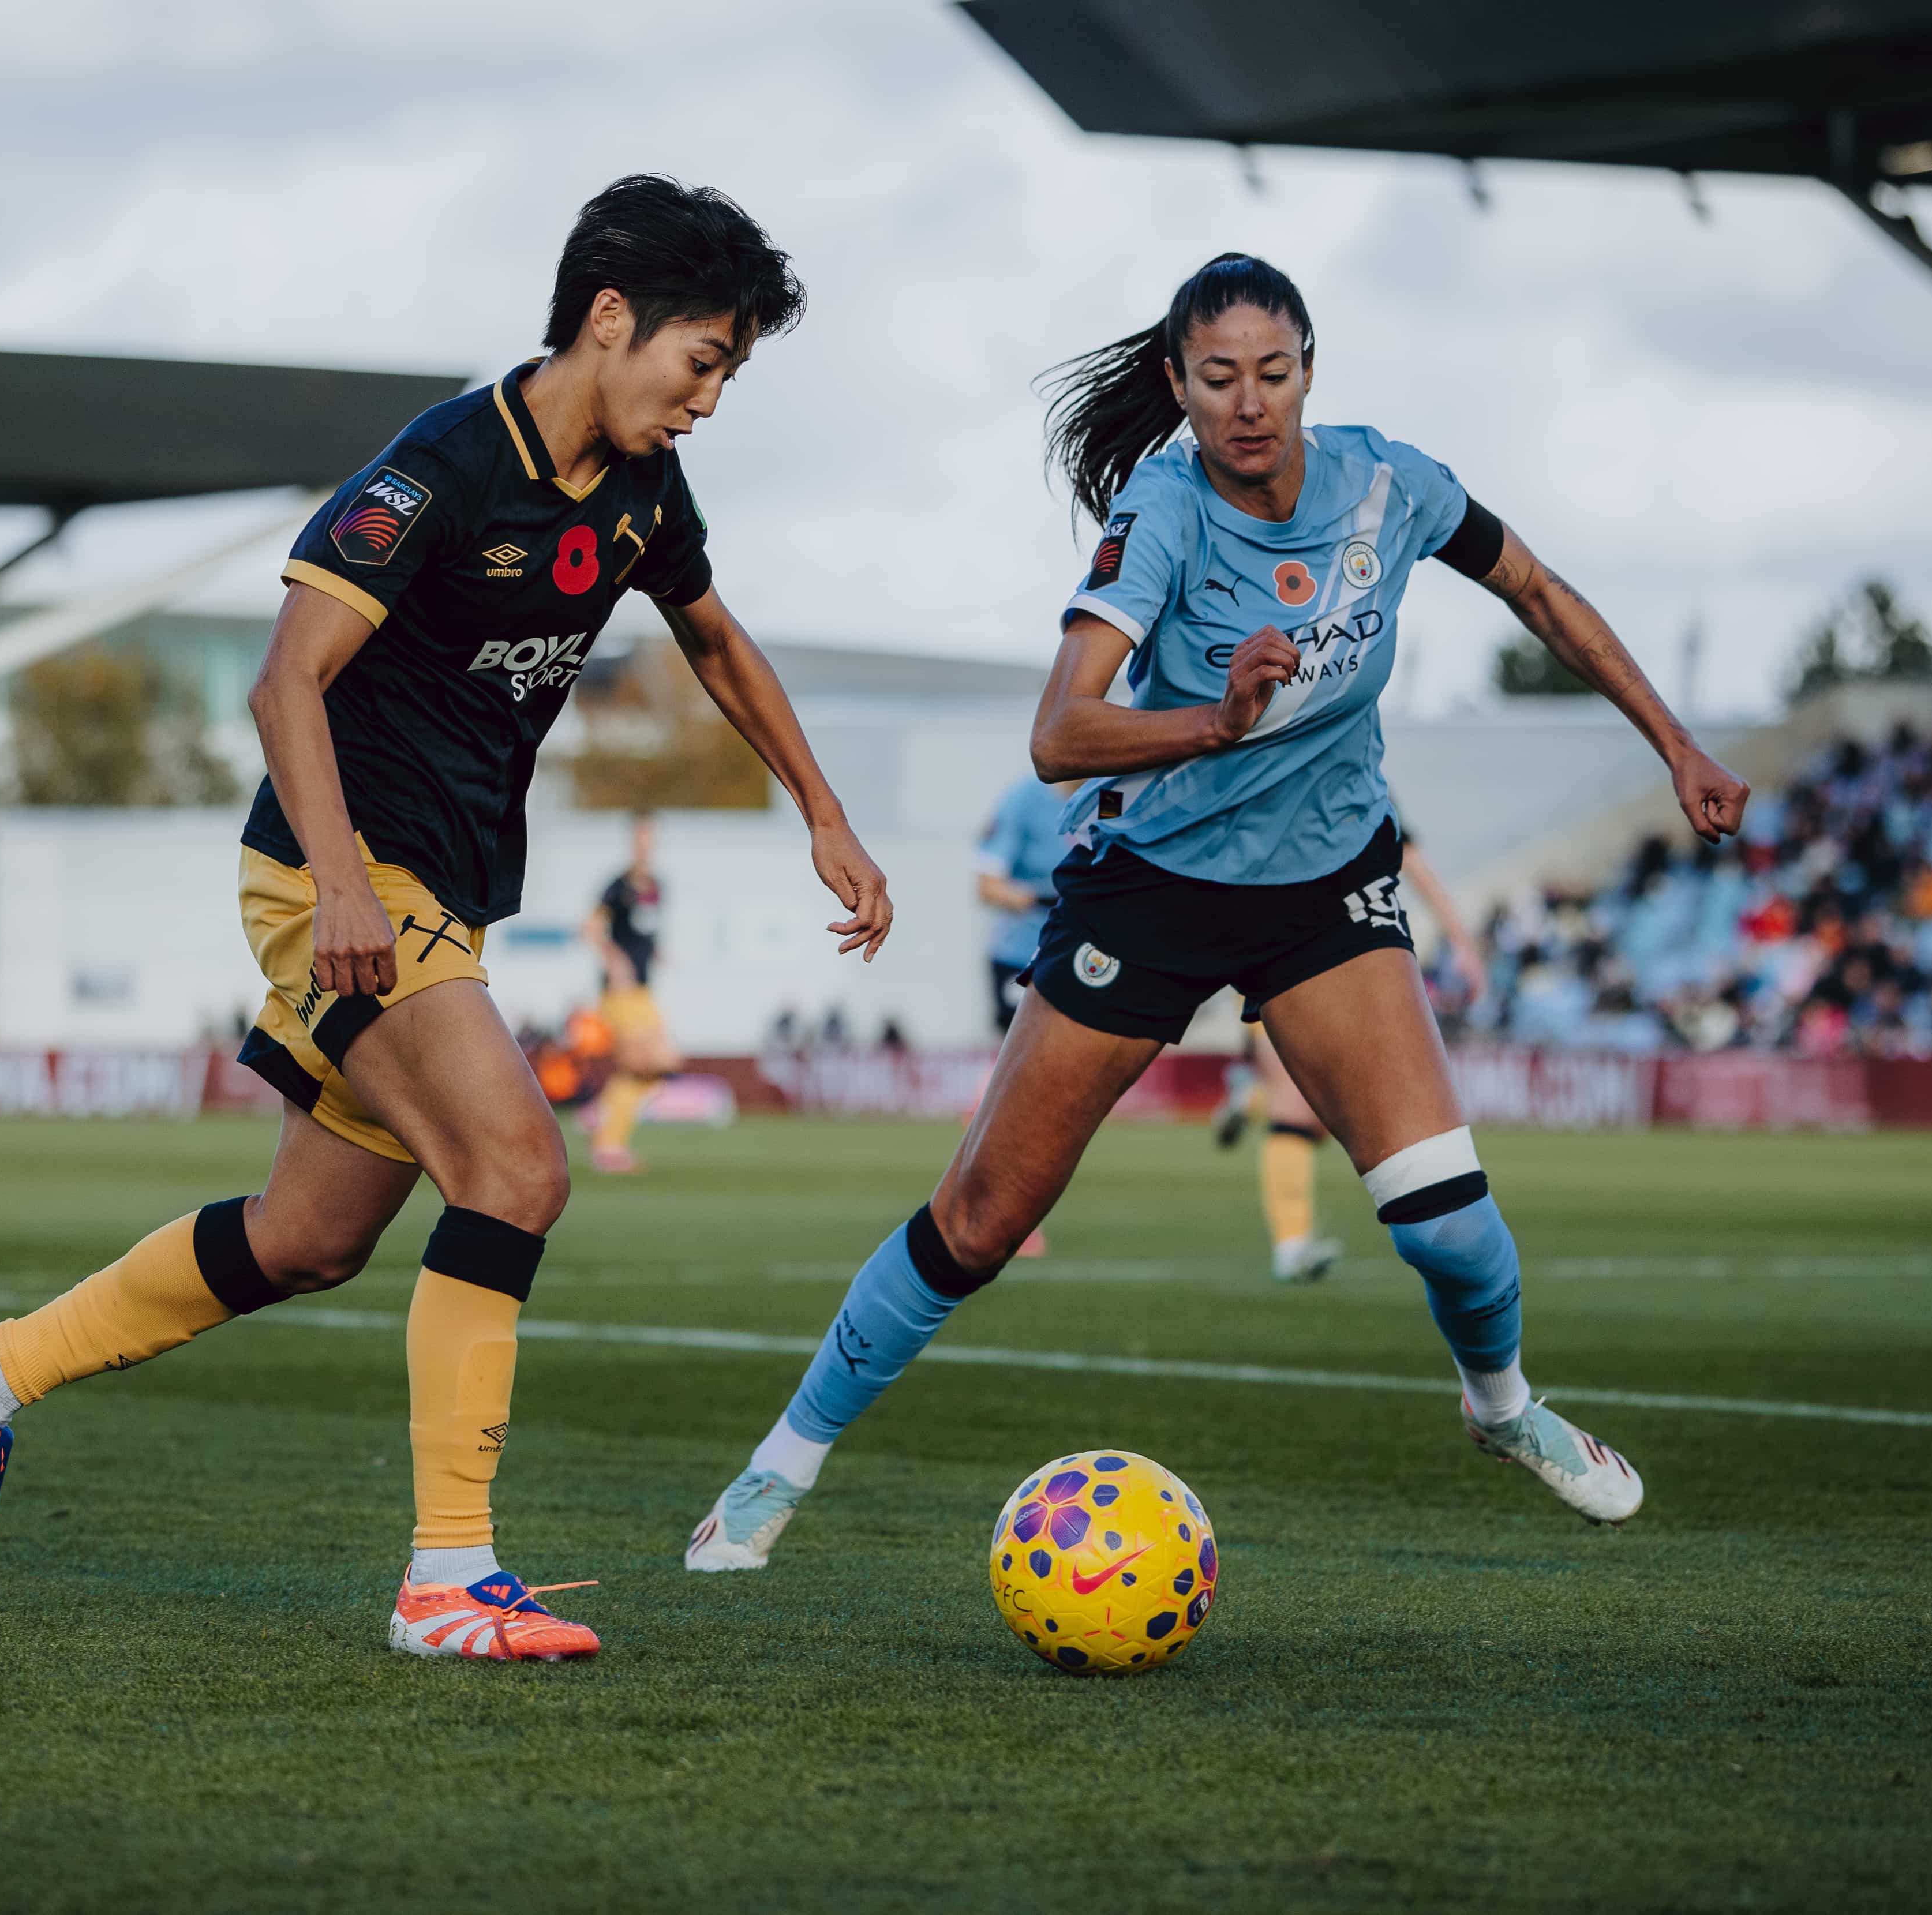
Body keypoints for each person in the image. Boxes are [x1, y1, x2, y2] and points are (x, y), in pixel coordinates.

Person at [0, 177, 892, 1663]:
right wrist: (349, 886)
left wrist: (818, 806)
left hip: (437, 897)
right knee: (514, 1168)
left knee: (306, 1240)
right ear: (611, 320)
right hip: (333, 877)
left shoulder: (640, 489)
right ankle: (448, 1579)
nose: (711, 398)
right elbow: (283, 681)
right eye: (706, 361)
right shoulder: (436, 469)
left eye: (731, 374)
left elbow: (714, 637)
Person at [686, 253, 1746, 1572]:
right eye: (1219, 378)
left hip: (1324, 889)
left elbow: (1536, 592)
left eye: (1275, 372)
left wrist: (1676, 745)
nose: (1249, 403)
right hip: (1154, 889)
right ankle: (776, 1468)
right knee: (981, 1217)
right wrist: (1216, 722)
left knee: (1455, 1231)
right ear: (1181, 388)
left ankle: (1505, 1410)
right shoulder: (1165, 511)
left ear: (1311, 370)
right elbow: (1058, 736)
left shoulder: (1392, 483)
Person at [1224, 825, 1488, 1283]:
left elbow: (1410, 856)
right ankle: (1292, 1245)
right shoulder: (1247, 763)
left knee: (1332, 1106)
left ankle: (1250, 1101)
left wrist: (1461, 942)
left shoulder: (1353, 770)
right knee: (1298, 1110)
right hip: (1266, 940)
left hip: (1344, 949)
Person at [581, 811, 676, 1174]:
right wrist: (614, 959)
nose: (645, 845)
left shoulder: (657, 886)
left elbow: (646, 931)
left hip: (644, 990)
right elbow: (590, 930)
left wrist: (657, 953)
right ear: (631, 841)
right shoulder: (617, 887)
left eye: (650, 837)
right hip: (622, 993)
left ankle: (599, 1115)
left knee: (659, 1067)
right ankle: (608, 1147)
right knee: (646, 1065)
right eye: (640, 837)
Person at [976, 770, 1077, 1034]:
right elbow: (988, 886)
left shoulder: (1113, 798)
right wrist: (1045, 898)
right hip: (1023, 956)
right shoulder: (1023, 800)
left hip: (1084, 954)